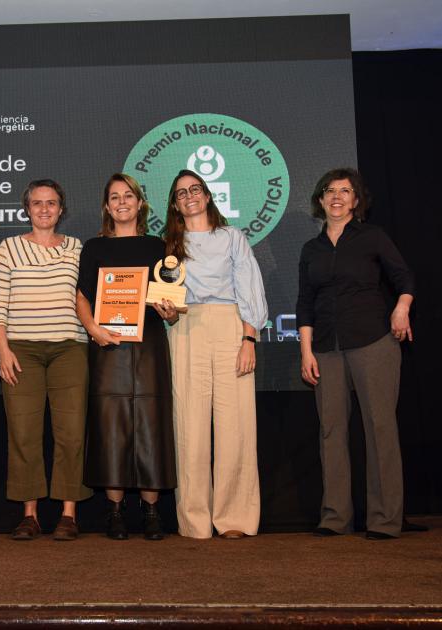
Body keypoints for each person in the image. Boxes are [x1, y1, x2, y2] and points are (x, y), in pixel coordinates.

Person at [296, 167, 415, 540]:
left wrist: (401, 308)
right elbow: (305, 303)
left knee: (380, 429)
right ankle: (335, 517)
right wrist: (305, 351)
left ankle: (384, 520)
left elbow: (404, 278)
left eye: (345, 191)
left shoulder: (372, 237)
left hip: (373, 342)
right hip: (326, 348)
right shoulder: (310, 249)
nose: (336, 197)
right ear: (320, 200)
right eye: (330, 191)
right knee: (331, 431)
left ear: (356, 200)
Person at [162, 169, 268, 539]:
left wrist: (248, 338)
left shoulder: (231, 237)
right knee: (188, 426)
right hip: (186, 329)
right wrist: (168, 312)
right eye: (180, 194)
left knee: (235, 425)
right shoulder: (170, 245)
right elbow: (169, 299)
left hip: (230, 327)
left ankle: (235, 518)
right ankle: (194, 521)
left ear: (207, 196)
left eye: (195, 190)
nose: (189, 197)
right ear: (175, 206)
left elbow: (249, 289)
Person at [75, 173, 178, 540]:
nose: (121, 202)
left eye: (128, 196)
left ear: (139, 203)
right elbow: (82, 296)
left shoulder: (159, 246)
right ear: (107, 206)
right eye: (114, 197)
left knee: (151, 424)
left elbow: (171, 299)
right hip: (107, 345)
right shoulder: (94, 248)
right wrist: (93, 329)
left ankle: (151, 513)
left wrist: (170, 311)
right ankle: (114, 512)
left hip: (148, 345)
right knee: (110, 427)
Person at [0, 179, 91, 541]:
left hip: (69, 349)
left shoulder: (78, 249)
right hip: (21, 352)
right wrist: (3, 350)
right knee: (23, 433)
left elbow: (88, 299)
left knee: (71, 432)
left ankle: (68, 513)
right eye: (37, 203)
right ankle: (29, 515)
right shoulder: (8, 248)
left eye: (51, 203)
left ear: (61, 209)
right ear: (26, 209)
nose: (44, 209)